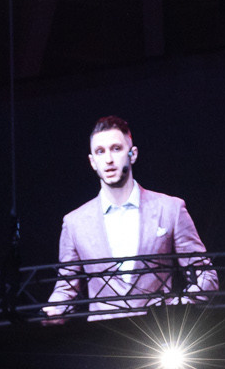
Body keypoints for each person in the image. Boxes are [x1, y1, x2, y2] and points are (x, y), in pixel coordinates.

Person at [43, 115, 215, 322]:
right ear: (92, 161)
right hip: (101, 337)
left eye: (116, 149)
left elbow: (204, 274)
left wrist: (180, 306)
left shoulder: (170, 209)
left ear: (133, 154)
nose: (108, 159)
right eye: (100, 151)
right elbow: (66, 288)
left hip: (159, 332)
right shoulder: (75, 223)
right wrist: (51, 312)